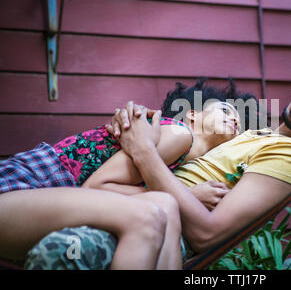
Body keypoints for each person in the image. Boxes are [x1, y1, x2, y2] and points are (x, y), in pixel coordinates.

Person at [23, 43, 291, 269]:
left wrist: (143, 150)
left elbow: (207, 232)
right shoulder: (257, 133)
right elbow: (184, 133)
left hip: (152, 232)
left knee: (58, 255)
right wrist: (138, 125)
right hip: (122, 205)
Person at [0, 79, 258, 269]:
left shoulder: (176, 158)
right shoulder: (179, 134)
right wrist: (188, 195)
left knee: (165, 204)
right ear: (191, 114)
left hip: (37, 204)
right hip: (21, 186)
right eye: (225, 111)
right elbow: (96, 187)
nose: (235, 121)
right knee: (151, 213)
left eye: (238, 121)